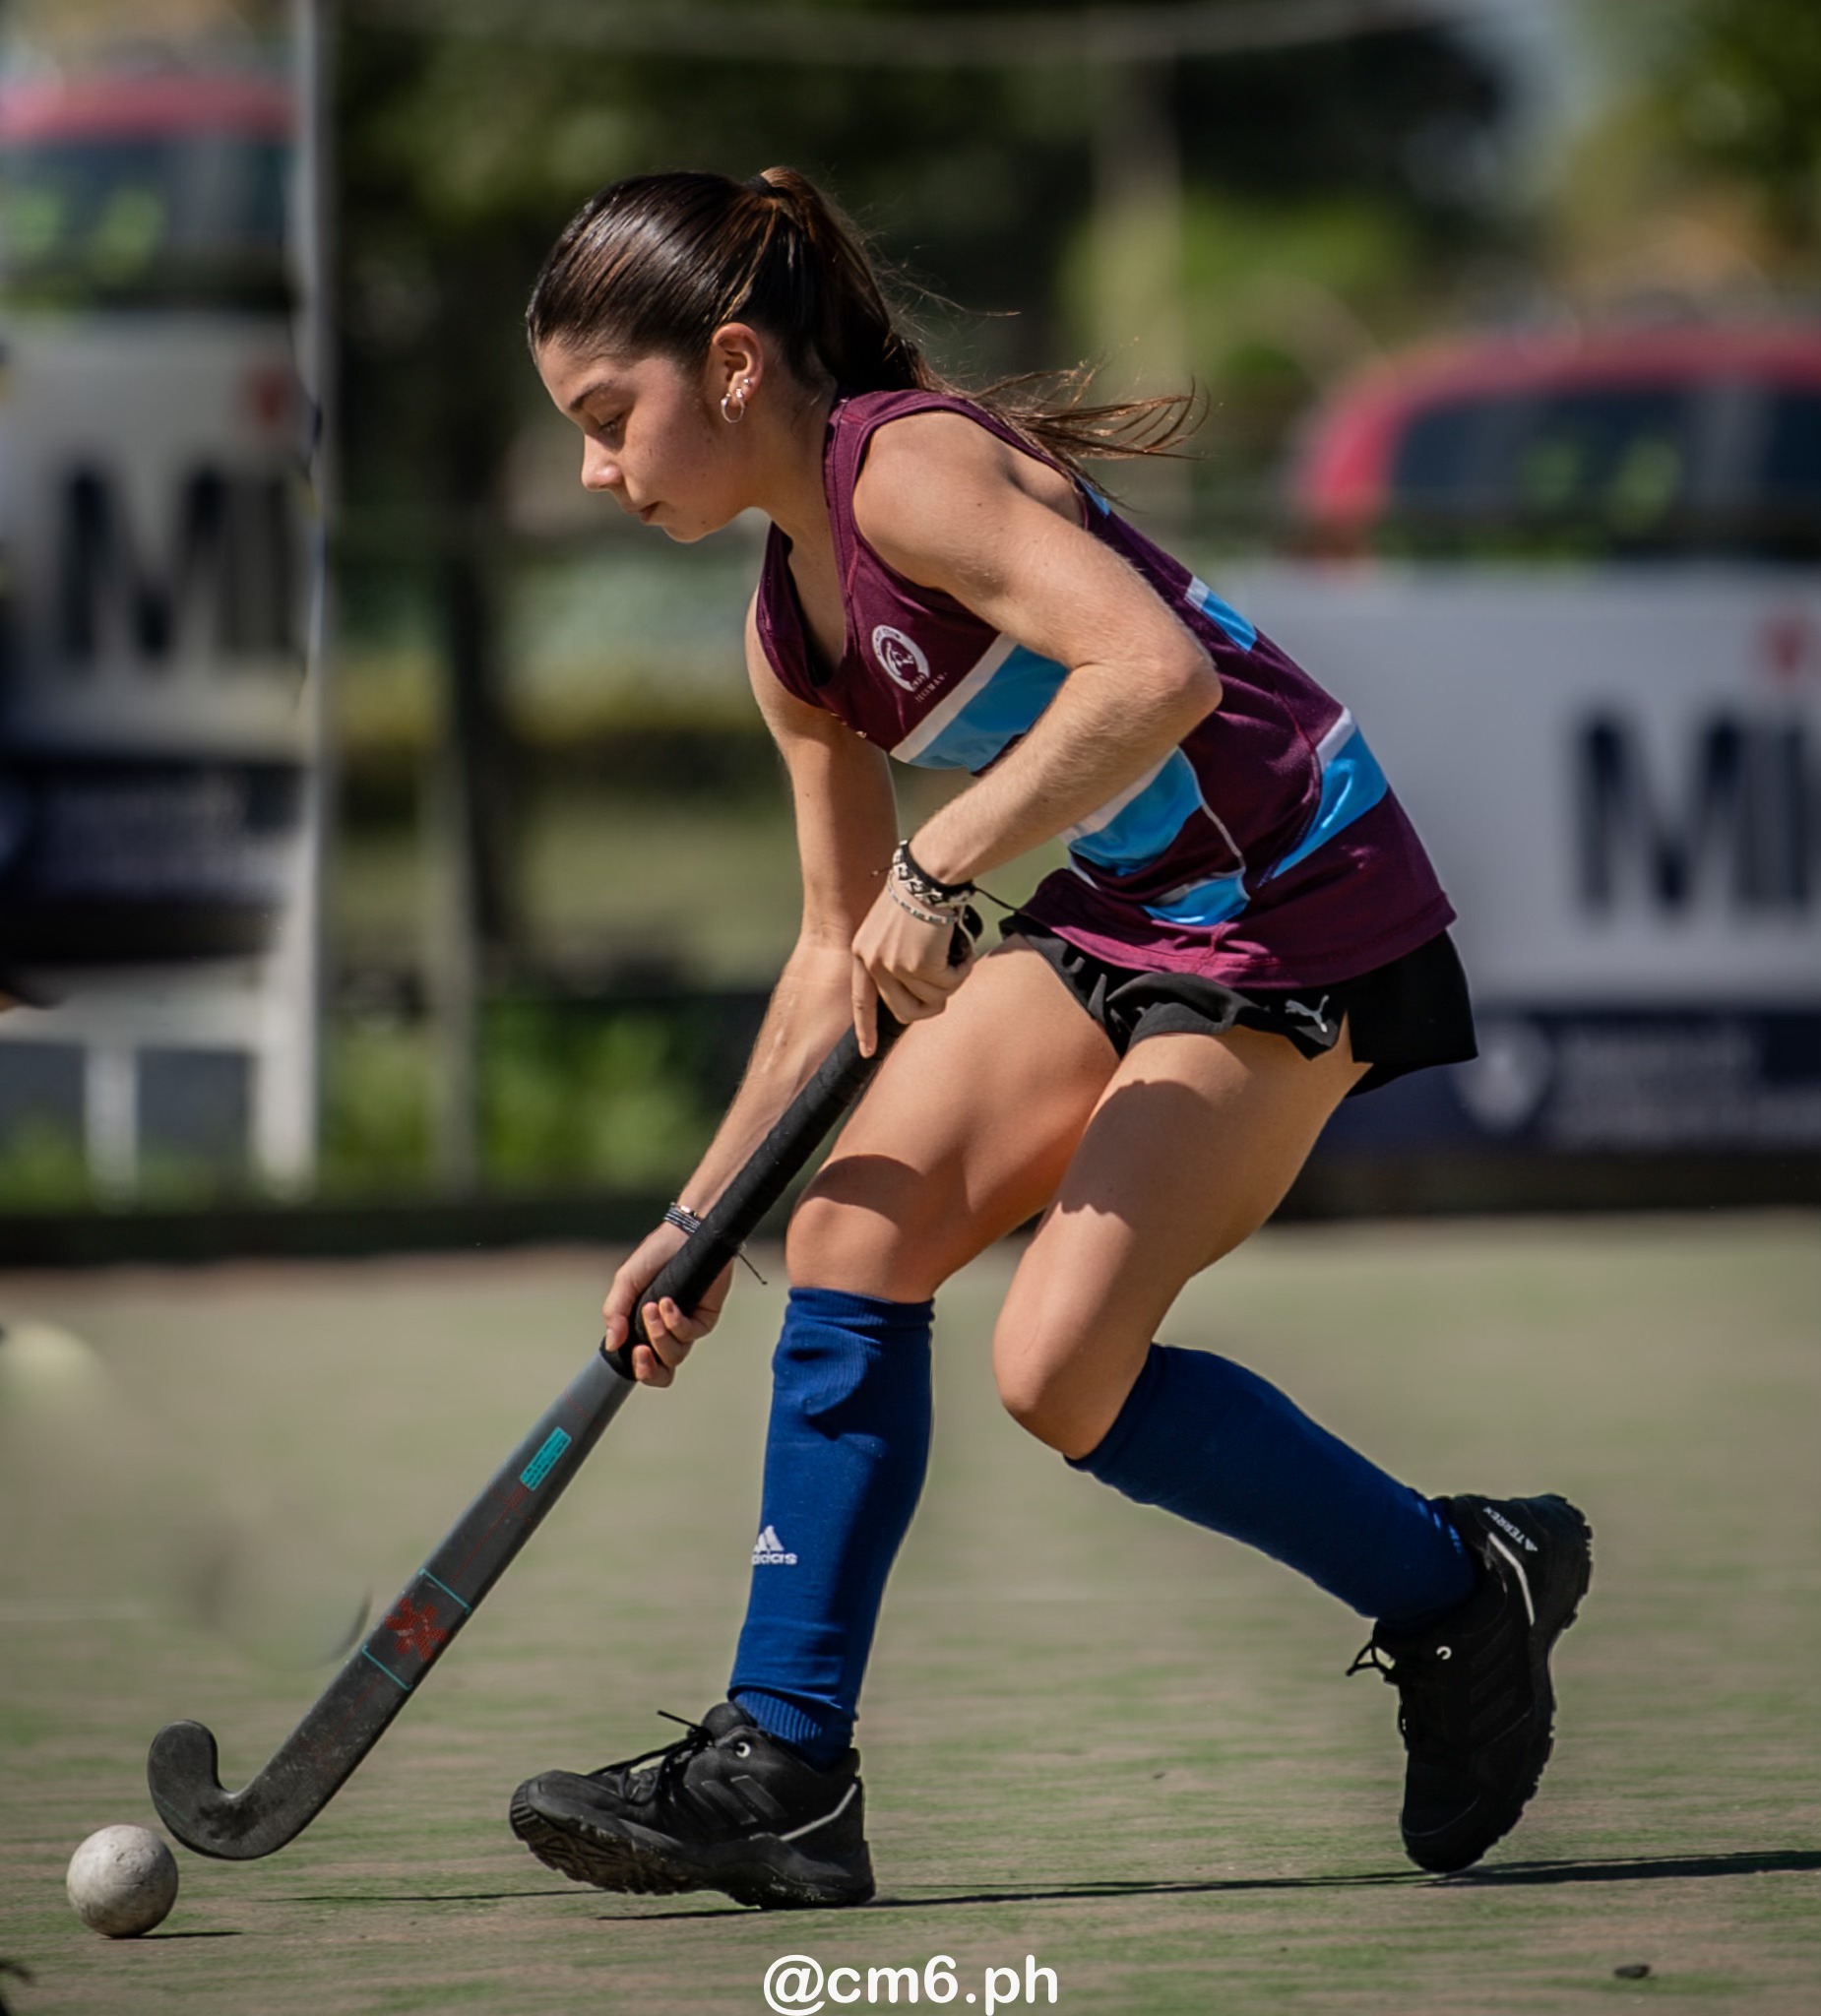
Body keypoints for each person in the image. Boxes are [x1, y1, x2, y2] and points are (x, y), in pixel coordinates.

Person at [508, 167, 1592, 1910]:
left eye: (605, 417)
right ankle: (783, 1770)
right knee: (842, 1227)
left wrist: (944, 861)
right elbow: (824, 950)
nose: (592, 468)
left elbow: (1147, 671)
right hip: (1125, 904)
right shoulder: (791, 622)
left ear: (725, 364)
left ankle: (1459, 1587)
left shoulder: (906, 470)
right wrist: (696, 1220)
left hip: (1291, 907)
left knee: (1055, 1368)